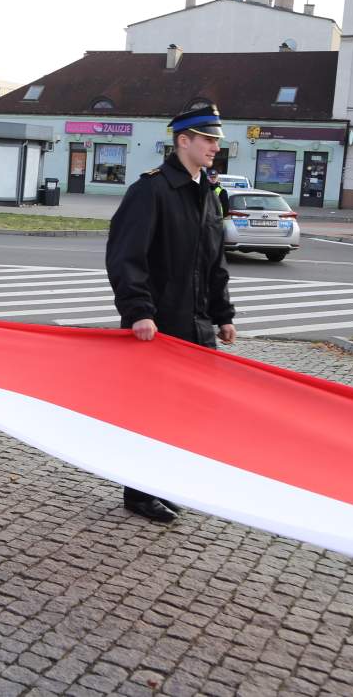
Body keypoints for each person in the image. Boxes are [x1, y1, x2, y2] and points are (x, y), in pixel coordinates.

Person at [106, 103, 236, 524]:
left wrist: (223, 313)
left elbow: (214, 262)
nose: (216, 146)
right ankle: (138, 493)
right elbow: (126, 256)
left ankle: (161, 486)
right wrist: (139, 310)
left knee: (186, 412)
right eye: (208, 138)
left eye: (217, 139)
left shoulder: (209, 194)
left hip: (197, 326)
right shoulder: (152, 190)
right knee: (150, 411)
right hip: (157, 326)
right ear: (184, 140)